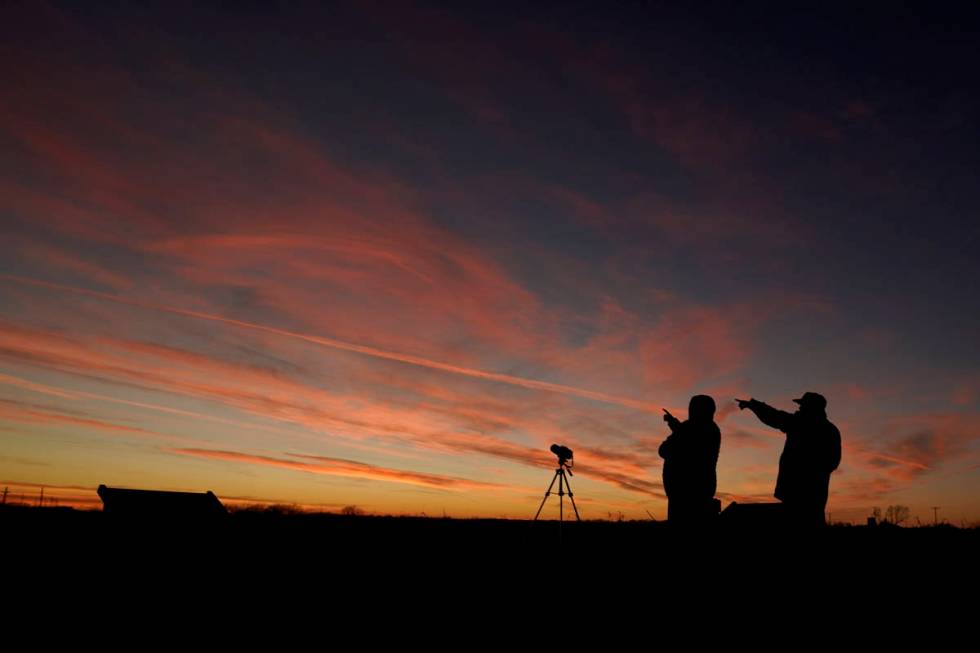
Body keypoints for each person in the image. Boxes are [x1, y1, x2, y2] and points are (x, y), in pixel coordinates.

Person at [736, 392, 841, 527]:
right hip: (812, 492)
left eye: (802, 406)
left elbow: (775, 417)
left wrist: (754, 405)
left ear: (811, 408)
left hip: (800, 492)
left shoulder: (802, 424)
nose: (799, 408)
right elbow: (833, 461)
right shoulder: (829, 429)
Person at [658, 395, 721, 526]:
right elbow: (667, 447)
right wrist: (676, 426)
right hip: (685, 492)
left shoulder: (703, 429)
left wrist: (676, 427)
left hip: (688, 493)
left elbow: (667, 449)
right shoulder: (705, 429)